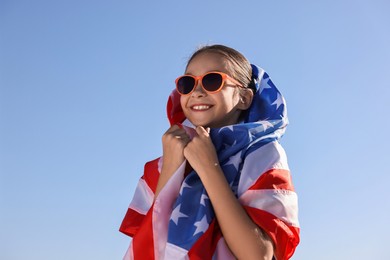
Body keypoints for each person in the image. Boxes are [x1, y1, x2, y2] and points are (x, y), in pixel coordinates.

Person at [119, 44, 300, 260]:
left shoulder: (262, 154)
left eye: (212, 80)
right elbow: (149, 246)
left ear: (244, 97)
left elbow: (258, 255)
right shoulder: (160, 164)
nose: (196, 91)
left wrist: (209, 167)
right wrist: (171, 167)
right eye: (187, 84)